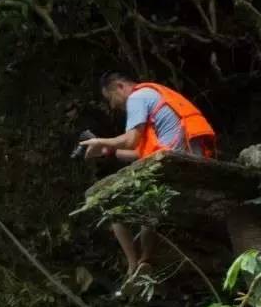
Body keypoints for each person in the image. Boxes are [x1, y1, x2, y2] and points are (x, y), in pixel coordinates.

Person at [81, 71, 216, 286]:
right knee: (146, 210)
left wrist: (100, 141)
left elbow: (131, 140)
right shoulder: (153, 98)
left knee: (112, 206)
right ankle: (145, 262)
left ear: (119, 87)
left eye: (110, 99)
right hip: (187, 156)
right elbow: (138, 152)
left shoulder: (137, 97)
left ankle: (133, 266)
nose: (113, 106)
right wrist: (106, 150)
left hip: (176, 161)